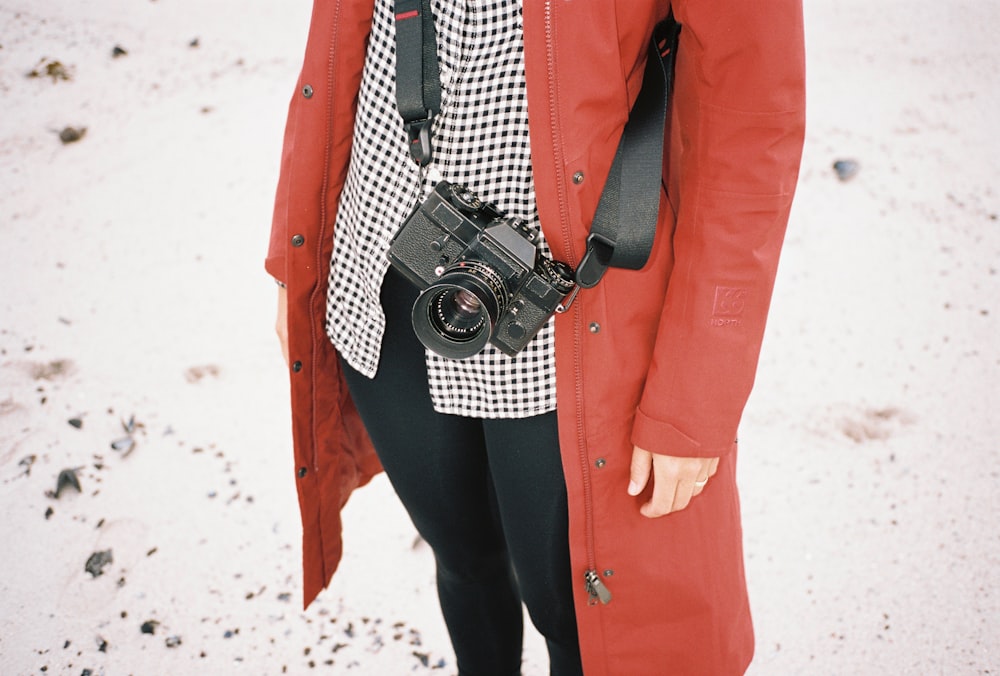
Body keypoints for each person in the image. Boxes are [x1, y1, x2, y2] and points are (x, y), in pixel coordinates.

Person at [267, 1, 805, 674]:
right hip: (377, 260)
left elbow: (751, 124)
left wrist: (699, 397)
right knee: (462, 561)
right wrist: (295, 251)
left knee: (572, 613)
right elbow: (336, 38)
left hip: (566, 310)